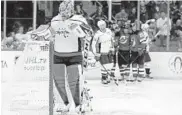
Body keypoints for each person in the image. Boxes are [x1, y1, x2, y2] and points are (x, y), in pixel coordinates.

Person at [51, 0, 93, 112]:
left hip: (74, 55)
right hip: (58, 55)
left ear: (70, 10)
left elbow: (89, 33)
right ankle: (64, 103)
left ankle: (79, 104)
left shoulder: (79, 19)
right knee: (58, 81)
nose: (63, 15)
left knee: (74, 82)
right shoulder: (55, 20)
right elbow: (51, 33)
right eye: (61, 12)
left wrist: (77, 29)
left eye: (65, 12)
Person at [92, 20, 114, 84]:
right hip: (102, 51)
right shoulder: (97, 34)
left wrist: (112, 49)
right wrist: (96, 53)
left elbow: (112, 40)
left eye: (104, 24)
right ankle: (103, 77)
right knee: (105, 65)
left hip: (109, 51)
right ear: (99, 26)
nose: (103, 26)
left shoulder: (109, 31)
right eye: (101, 25)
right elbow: (94, 44)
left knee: (110, 65)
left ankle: (107, 76)